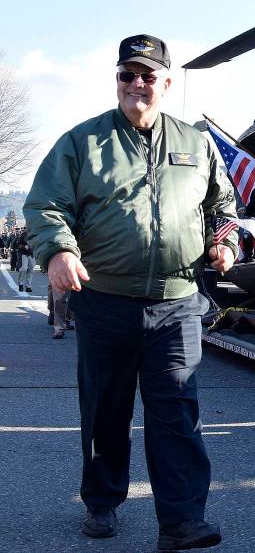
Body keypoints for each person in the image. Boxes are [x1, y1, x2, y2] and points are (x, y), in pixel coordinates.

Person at [24, 34, 238, 551]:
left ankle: (182, 521)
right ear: (117, 80)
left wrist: (223, 243)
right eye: (127, 75)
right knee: (105, 410)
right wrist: (57, 252)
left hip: (178, 303)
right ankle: (101, 501)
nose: (137, 84)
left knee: (177, 411)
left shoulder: (196, 143)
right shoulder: (82, 142)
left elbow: (223, 207)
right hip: (105, 303)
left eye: (148, 76)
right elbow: (46, 206)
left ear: (167, 82)